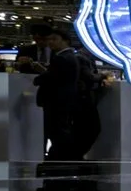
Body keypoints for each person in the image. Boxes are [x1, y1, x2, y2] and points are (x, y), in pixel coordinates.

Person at [34, 24, 104, 162]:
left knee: (57, 132)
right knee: (59, 131)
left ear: (66, 40)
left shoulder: (63, 58)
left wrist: (38, 78)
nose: (50, 42)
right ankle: (63, 158)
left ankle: (60, 160)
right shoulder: (68, 56)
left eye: (54, 39)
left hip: (57, 101)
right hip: (63, 100)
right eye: (49, 40)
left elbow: (52, 78)